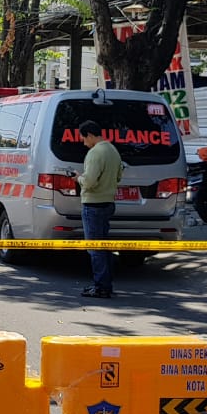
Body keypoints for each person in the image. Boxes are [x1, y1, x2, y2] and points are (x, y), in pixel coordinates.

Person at [70, 120, 123, 299]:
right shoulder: (112, 151)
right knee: (103, 244)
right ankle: (106, 284)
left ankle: (100, 286)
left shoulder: (95, 153)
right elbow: (119, 176)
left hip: (93, 204)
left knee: (94, 247)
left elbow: (90, 181)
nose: (84, 143)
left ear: (90, 136)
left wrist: (79, 178)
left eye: (84, 139)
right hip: (108, 203)